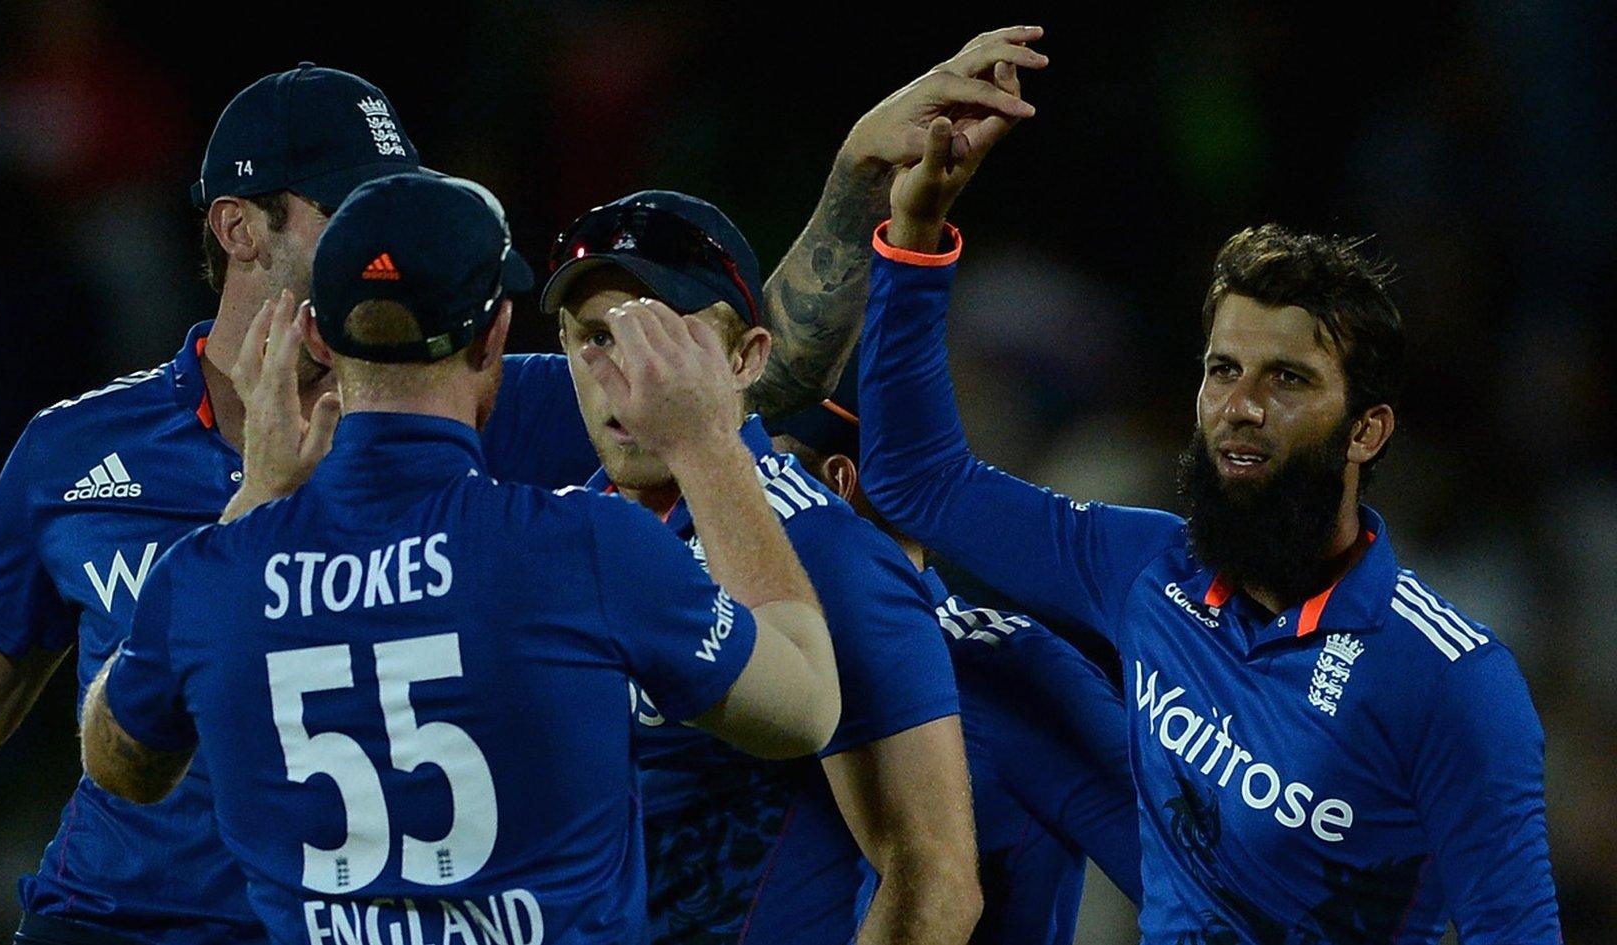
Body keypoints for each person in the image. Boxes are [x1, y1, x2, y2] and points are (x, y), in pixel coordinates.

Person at [0, 27, 1040, 943]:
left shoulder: (481, 402)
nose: (388, 235)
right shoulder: (73, 454)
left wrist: (855, 183)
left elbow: (733, 370)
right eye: (350, 207)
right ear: (241, 229)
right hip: (110, 920)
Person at [854, 76, 1563, 943]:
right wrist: (917, 233)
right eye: (1223, 369)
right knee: (968, 646)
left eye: (1288, 379)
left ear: (1367, 430)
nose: (1242, 404)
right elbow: (920, 480)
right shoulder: (1150, 565)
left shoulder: (1451, 678)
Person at [78, 170, 841, 945]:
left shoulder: (207, 578)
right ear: (495, 334)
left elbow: (122, 763)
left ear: (315, 335)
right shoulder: (584, 547)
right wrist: (707, 442)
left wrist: (251, 508)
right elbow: (805, 706)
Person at [543, 188, 980, 945]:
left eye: (665, 340)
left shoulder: (824, 552)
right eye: (597, 338)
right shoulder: (562, 530)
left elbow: (934, 881)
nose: (629, 374)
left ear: (746, 358)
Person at [765, 356, 1143, 945]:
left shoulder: (1001, 665)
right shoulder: (761, 660)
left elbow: (1198, 875)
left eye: (775, 476)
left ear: (837, 483)